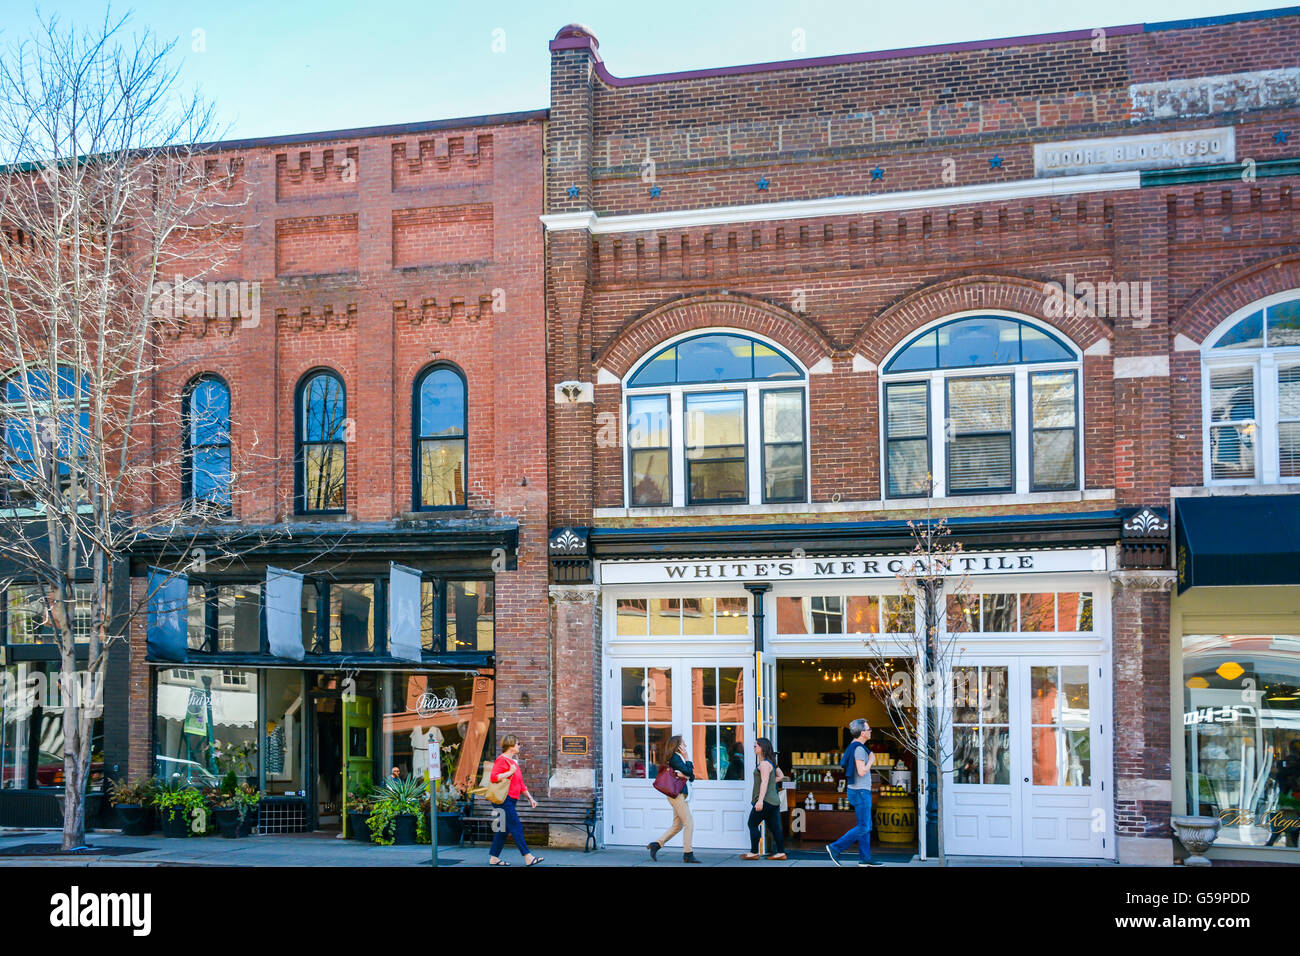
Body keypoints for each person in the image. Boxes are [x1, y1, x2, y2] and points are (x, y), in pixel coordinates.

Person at [826, 718, 882, 866]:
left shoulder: (854, 745)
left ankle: (865, 859)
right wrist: (871, 759)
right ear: (863, 733)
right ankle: (835, 848)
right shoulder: (859, 749)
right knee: (864, 826)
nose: (871, 731)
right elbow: (862, 771)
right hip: (860, 792)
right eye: (869, 729)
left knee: (866, 825)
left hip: (858, 791)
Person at [487, 734, 543, 867]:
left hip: (511, 800)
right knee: (516, 826)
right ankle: (528, 856)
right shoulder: (502, 760)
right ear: (511, 746)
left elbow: (521, 783)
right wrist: (509, 772)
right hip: (503, 800)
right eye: (518, 744)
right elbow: (494, 777)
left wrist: (530, 798)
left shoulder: (513, 762)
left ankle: (494, 858)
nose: (519, 746)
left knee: (503, 829)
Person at [647, 735, 699, 863]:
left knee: (677, 825)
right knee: (689, 824)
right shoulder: (675, 758)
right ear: (677, 745)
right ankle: (688, 854)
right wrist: (687, 759)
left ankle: (657, 844)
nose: (685, 744)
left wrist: (687, 774)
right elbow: (688, 771)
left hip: (678, 795)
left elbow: (691, 776)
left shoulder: (677, 758)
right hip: (677, 796)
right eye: (682, 742)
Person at [742, 737, 786, 860]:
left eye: (756, 745)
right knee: (775, 827)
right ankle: (781, 852)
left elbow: (765, 781)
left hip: (765, 801)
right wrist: (772, 782)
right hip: (774, 801)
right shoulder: (771, 762)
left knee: (752, 824)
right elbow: (781, 776)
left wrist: (760, 801)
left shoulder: (764, 764)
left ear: (762, 748)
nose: (754, 747)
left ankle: (754, 852)